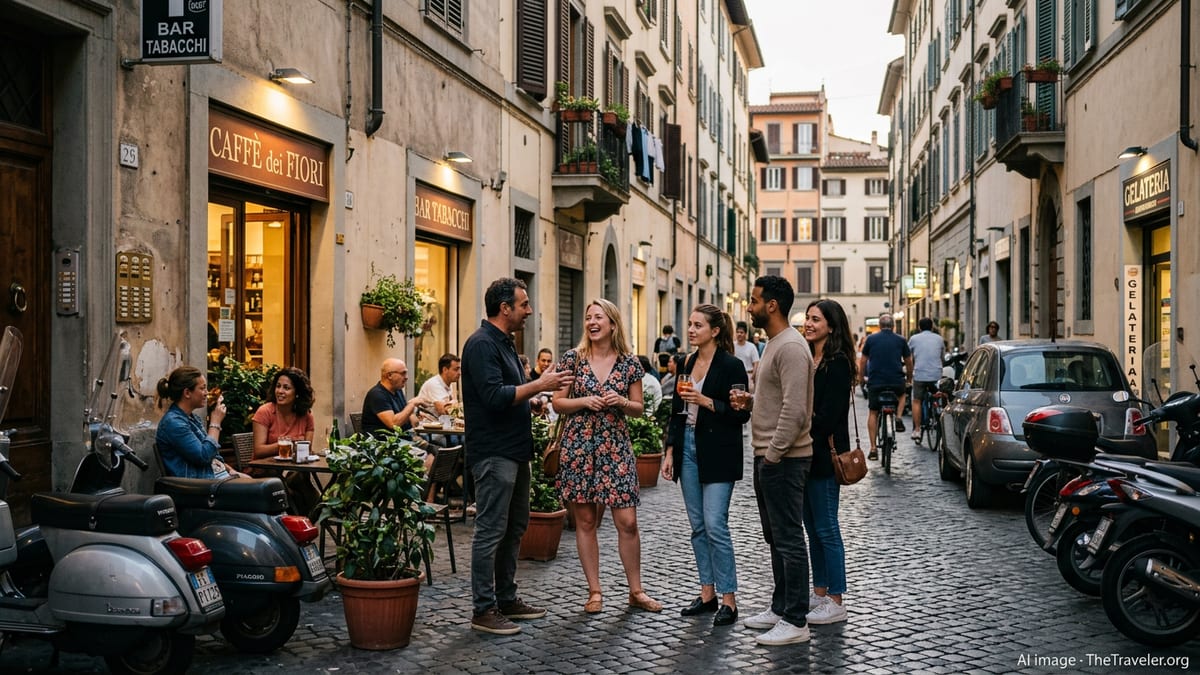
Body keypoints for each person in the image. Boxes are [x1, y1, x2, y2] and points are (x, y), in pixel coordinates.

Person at [461, 277, 574, 635]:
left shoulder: (506, 344)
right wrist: (539, 385)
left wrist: (535, 399)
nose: (529, 310)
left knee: (514, 528)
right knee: (490, 530)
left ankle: (507, 599)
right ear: (504, 308)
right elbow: (494, 397)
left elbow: (511, 392)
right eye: (523, 304)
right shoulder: (480, 345)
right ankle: (483, 609)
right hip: (494, 453)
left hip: (514, 449)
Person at [553, 298, 662, 616]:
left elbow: (640, 408)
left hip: (616, 450)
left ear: (613, 324)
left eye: (598, 317)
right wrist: (585, 401)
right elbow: (558, 402)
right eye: (588, 317)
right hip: (579, 448)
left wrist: (621, 402)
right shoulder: (572, 359)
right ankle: (595, 591)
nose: (592, 322)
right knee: (586, 521)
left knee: (627, 522)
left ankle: (636, 591)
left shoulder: (629, 363)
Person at [736, 275, 815, 646]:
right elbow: (779, 399)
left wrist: (773, 455)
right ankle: (781, 605)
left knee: (788, 538)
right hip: (770, 455)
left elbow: (796, 410)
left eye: (753, 301)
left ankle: (796, 619)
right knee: (775, 537)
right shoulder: (773, 345)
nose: (748, 307)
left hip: (783, 459)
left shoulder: (792, 347)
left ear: (771, 305)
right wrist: (751, 403)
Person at [661, 304, 750, 627]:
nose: (691, 329)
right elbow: (675, 411)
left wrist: (707, 402)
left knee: (715, 525)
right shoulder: (686, 362)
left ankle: (730, 599)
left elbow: (742, 412)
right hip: (686, 447)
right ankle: (707, 593)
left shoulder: (732, 366)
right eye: (691, 324)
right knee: (698, 527)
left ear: (715, 330)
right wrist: (669, 452)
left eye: (698, 325)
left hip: (719, 451)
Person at [800, 299, 855, 625]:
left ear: (831, 326)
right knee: (812, 529)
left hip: (823, 455)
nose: (808, 323)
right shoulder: (811, 357)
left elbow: (829, 416)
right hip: (806, 454)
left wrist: (802, 433)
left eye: (816, 319)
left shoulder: (837, 363)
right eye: (807, 318)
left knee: (826, 528)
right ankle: (819, 592)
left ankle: (836, 598)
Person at [155, 366, 230, 479]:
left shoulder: (193, 418)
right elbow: (204, 456)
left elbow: (214, 456)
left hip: (217, 479)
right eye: (202, 388)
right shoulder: (173, 423)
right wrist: (215, 423)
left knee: (262, 487)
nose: (206, 393)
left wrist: (232, 472)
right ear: (187, 393)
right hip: (201, 487)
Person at [858, 314, 912, 460]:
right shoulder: (901, 340)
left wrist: (861, 377)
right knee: (902, 394)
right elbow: (908, 360)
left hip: (876, 381)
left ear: (880, 326)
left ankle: (873, 448)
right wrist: (909, 378)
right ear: (893, 326)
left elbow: (863, 361)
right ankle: (899, 417)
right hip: (896, 380)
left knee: (873, 412)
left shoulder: (871, 339)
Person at [251, 367, 316, 461]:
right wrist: (286, 444)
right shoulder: (265, 412)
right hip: (266, 468)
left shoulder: (306, 415)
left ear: (297, 393)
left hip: (295, 467)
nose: (280, 391)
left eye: (286, 388)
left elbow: (307, 450)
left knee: (299, 473)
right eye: (278, 386)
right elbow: (259, 451)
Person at [362, 358, 430, 437]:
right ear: (389, 375)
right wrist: (412, 404)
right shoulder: (377, 395)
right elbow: (393, 424)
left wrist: (414, 413)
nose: (406, 377)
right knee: (434, 446)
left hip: (403, 438)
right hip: (384, 444)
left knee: (435, 442)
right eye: (403, 373)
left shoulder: (397, 391)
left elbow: (405, 414)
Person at [908, 317, 946, 442]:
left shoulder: (914, 339)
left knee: (917, 400)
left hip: (920, 374)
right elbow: (942, 357)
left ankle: (917, 429)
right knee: (939, 395)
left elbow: (908, 356)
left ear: (919, 327)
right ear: (932, 327)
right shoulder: (939, 339)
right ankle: (938, 412)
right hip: (936, 374)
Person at [733, 321, 761, 390]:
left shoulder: (751, 347)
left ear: (745, 334)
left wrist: (753, 377)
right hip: (734, 376)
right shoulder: (732, 346)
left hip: (748, 375)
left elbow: (756, 363)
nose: (739, 334)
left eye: (741, 332)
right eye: (737, 332)